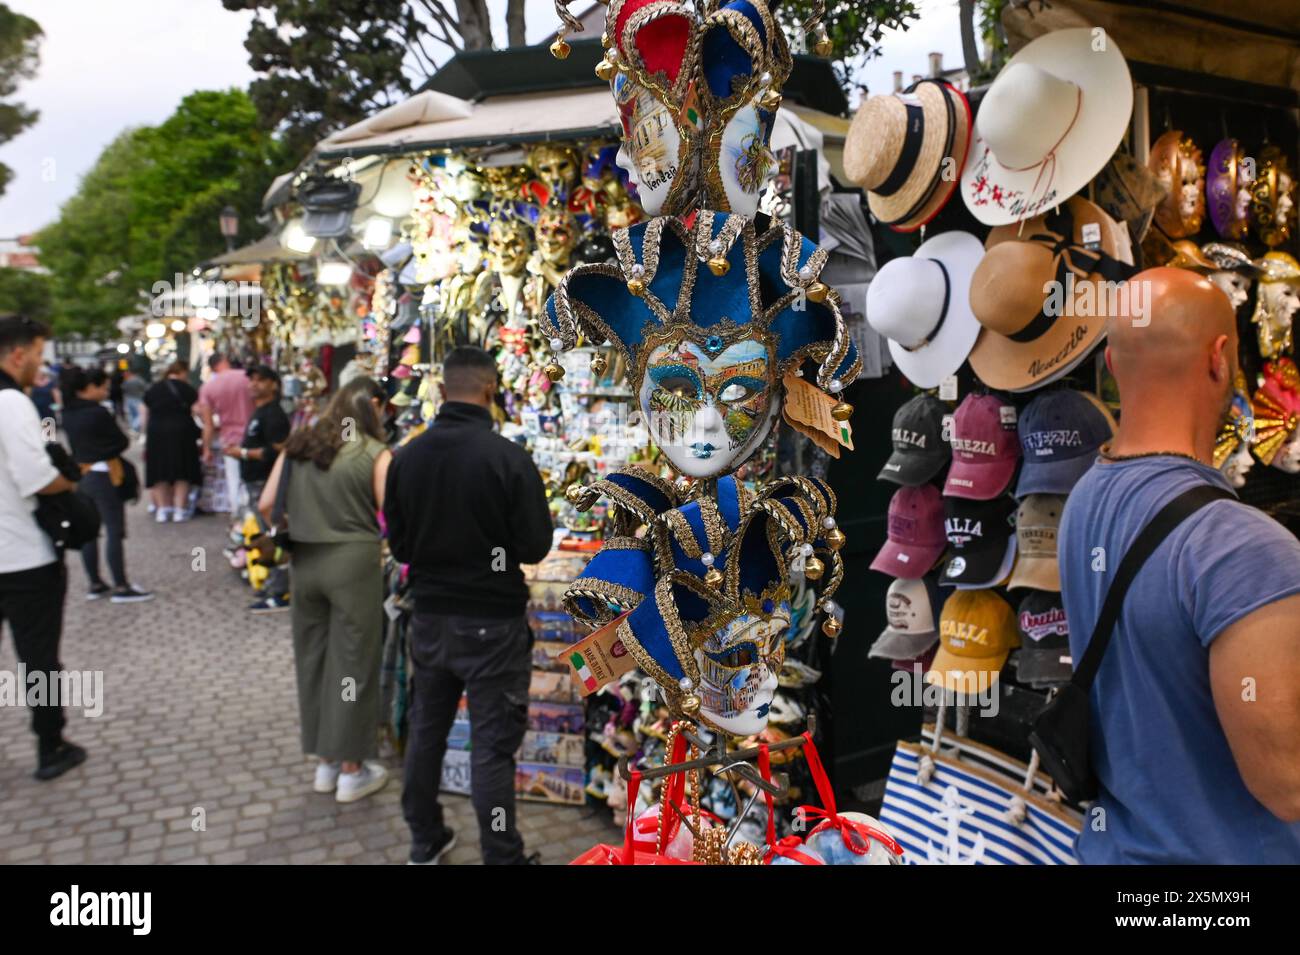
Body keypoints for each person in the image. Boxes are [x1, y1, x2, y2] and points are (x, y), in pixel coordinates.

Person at [1059, 267, 1300, 864]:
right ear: (1221, 360)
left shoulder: (1085, 499)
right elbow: (1287, 783)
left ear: (1112, 368)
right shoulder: (1246, 549)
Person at [385, 346, 553, 865]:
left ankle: (425, 838)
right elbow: (534, 547)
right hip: (492, 625)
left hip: (431, 620)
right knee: (491, 746)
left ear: (440, 391)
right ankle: (501, 855)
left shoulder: (406, 458)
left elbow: (402, 550)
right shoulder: (507, 458)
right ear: (490, 390)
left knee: (426, 732)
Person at [260, 376, 392, 803]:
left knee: (313, 659)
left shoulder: (299, 446)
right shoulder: (374, 452)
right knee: (353, 664)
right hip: (353, 565)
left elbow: (265, 504)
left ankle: (324, 764)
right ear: (372, 405)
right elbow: (392, 512)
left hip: (305, 563)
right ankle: (352, 769)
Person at [0, 315, 86, 779]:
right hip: (22, 556)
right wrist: (70, 484)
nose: (41, 363)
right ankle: (50, 747)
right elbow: (35, 477)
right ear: (18, 354)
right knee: (38, 659)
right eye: (37, 353)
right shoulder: (12, 402)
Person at [61, 366, 152, 603]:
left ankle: (95, 582)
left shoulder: (66, 413)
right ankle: (121, 586)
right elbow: (120, 441)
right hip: (104, 474)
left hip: (82, 474)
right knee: (114, 530)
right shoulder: (98, 412)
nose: (105, 391)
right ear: (89, 388)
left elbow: (53, 439)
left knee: (91, 531)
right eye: (103, 387)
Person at [235, 366, 291, 613]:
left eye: (260, 380)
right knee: (263, 536)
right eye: (252, 380)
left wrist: (244, 453)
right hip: (256, 483)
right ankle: (271, 584)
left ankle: (280, 591)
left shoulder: (275, 415)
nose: (253, 385)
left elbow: (278, 450)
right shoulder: (260, 411)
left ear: (273, 385)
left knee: (274, 537)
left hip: (267, 484)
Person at [141, 361, 201, 523]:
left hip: (157, 433)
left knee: (159, 472)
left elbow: (144, 414)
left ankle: (162, 509)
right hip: (182, 432)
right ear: (182, 372)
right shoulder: (187, 389)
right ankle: (179, 509)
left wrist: (144, 434)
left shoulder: (154, 388)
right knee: (182, 470)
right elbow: (198, 410)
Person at [198, 352, 253, 515]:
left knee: (234, 480)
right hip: (254, 435)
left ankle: (239, 517)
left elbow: (208, 425)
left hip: (230, 439)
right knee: (255, 479)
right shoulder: (247, 378)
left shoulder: (208, 388)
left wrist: (206, 449)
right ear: (225, 361)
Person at [121, 369, 147, 434]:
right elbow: (144, 387)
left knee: (133, 415)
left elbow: (123, 389)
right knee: (138, 415)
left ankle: (135, 428)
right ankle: (135, 428)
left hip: (130, 399)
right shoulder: (138, 380)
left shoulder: (127, 381)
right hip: (137, 399)